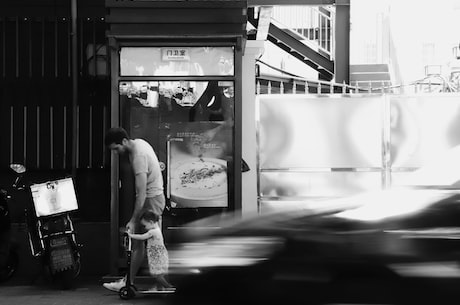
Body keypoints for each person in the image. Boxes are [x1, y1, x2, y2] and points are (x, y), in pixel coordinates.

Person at [103, 127, 165, 292]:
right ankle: (134, 281)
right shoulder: (139, 143)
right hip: (154, 198)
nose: (116, 153)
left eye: (116, 149)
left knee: (146, 245)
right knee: (145, 244)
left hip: (151, 200)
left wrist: (132, 219)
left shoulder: (138, 155)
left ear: (124, 141)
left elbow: (142, 193)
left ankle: (154, 284)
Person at [127, 211, 173, 291]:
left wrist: (131, 235)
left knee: (157, 275)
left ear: (151, 222)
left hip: (157, 256)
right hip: (160, 255)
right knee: (159, 274)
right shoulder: (158, 229)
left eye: (145, 225)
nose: (144, 227)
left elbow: (142, 237)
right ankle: (160, 288)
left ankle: (168, 287)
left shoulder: (153, 232)